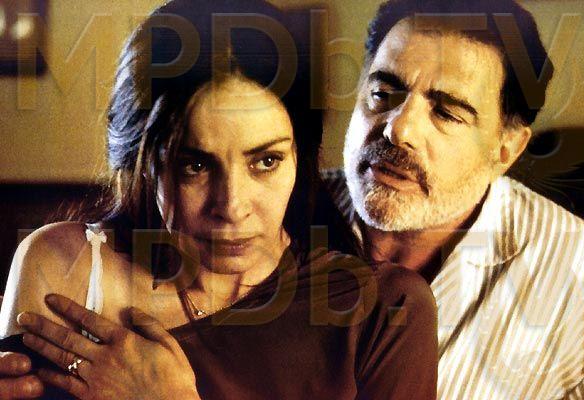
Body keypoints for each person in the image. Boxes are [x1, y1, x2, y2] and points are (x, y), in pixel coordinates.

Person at [0, 0, 438, 399]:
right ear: (143, 164)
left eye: (265, 161)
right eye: (195, 165)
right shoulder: (65, 265)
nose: (231, 206)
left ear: (300, 156)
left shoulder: (384, 310)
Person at [322, 0, 584, 398]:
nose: (399, 130)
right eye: (382, 93)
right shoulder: (271, 212)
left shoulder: (579, 274)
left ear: (506, 149)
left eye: (447, 114)